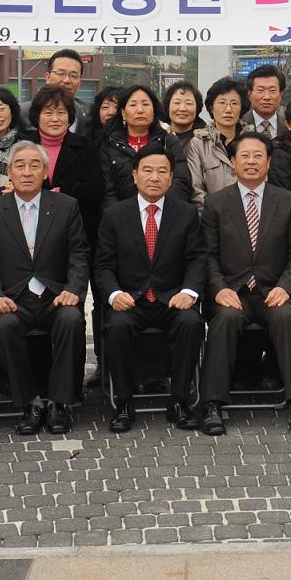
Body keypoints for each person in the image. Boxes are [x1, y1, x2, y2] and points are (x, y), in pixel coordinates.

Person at [198, 132, 291, 436]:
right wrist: (219, 288)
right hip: (231, 292)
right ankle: (212, 404)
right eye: (244, 156)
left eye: (258, 156)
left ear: (269, 162)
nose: (251, 161)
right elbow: (206, 255)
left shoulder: (288, 202)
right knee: (224, 320)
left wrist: (286, 287)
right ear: (233, 162)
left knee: (287, 317)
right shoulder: (216, 203)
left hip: (273, 290)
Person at [0, 141, 89, 435]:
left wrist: (73, 290)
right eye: (20, 165)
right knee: (2, 327)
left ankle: (58, 402)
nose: (27, 172)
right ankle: (31, 402)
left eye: (34, 165)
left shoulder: (66, 206)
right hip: (14, 299)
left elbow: (79, 254)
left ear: (45, 172)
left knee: (71, 319)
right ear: (9, 174)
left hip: (55, 296)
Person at [95, 147, 206, 432]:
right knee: (117, 327)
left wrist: (190, 292)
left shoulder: (186, 213)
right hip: (131, 299)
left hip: (172, 298)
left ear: (171, 178)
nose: (154, 177)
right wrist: (114, 294)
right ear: (134, 176)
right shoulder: (115, 215)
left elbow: (196, 259)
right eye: (147, 170)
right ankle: (123, 402)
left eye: (162, 172)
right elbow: (103, 265)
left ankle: (180, 400)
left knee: (191, 322)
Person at [29, 85, 106, 237]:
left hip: (76, 229)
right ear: (37, 116)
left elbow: (96, 189)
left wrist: (62, 190)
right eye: (48, 113)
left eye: (61, 112)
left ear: (69, 116)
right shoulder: (25, 146)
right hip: (32, 226)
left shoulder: (84, 146)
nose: (55, 119)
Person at [100, 84, 175, 204]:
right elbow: (107, 191)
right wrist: (119, 216)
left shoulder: (168, 141)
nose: (140, 110)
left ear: (154, 110)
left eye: (145, 104)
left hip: (163, 214)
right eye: (133, 105)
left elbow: (180, 182)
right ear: (123, 113)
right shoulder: (110, 145)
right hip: (121, 216)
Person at [186, 76, 247, 204]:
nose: (228, 109)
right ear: (211, 108)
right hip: (212, 219)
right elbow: (196, 190)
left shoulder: (254, 141)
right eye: (222, 103)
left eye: (234, 103)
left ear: (242, 108)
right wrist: (213, 217)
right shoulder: (199, 143)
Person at [161, 80, 205, 179]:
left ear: (197, 108)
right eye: (177, 103)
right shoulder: (157, 137)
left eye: (189, 103)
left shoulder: (206, 140)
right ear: (168, 107)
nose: (182, 108)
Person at [245, 64, 287, 138]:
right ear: (249, 94)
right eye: (260, 90)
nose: (267, 97)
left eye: (272, 90)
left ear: (280, 95)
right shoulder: (239, 125)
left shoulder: (289, 126)